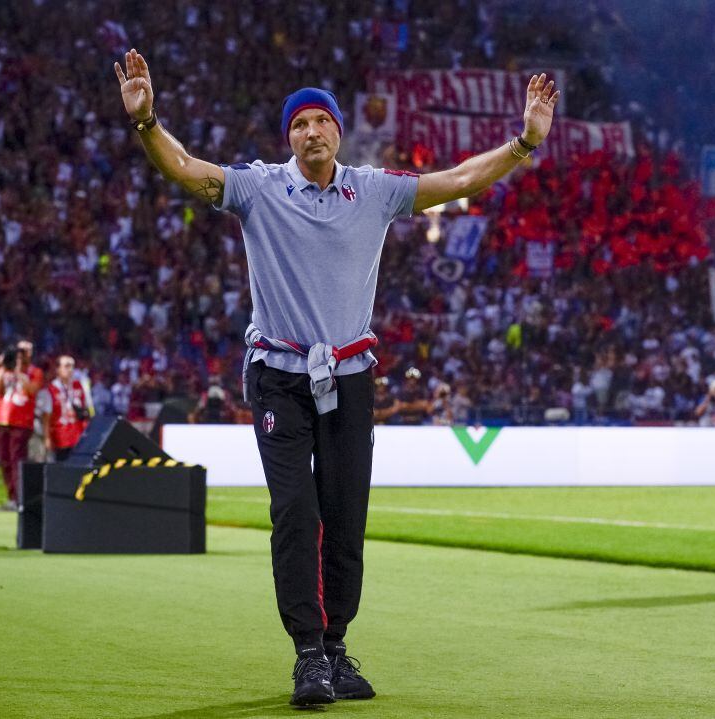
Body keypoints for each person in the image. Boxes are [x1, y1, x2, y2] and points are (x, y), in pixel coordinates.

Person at [115, 48, 559, 706]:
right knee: (297, 511)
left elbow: (458, 179)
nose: (312, 132)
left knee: (345, 517)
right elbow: (186, 171)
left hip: (351, 376)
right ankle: (306, 654)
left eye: (322, 121)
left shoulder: (374, 192)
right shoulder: (258, 187)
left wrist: (524, 141)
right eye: (300, 124)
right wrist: (148, 123)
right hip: (280, 376)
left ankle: (336, 646)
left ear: (339, 133)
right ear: (287, 136)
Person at [0, 340, 43, 511]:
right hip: (2, 419)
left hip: (21, 422)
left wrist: (19, 370)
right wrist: (3, 366)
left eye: (25, 350)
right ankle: (12, 496)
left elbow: (31, 390)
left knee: (17, 460)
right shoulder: (5, 369)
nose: (21, 354)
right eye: (19, 350)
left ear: (31, 353)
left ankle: (20, 498)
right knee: (4, 460)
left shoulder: (35, 372)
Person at [36, 355, 92, 462]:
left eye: (72, 366)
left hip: (78, 436)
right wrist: (47, 438)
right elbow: (46, 418)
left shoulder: (79, 385)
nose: (70, 369)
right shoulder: (50, 390)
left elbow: (86, 409)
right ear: (58, 369)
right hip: (60, 438)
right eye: (66, 366)